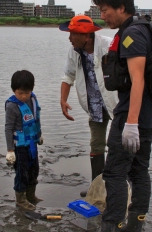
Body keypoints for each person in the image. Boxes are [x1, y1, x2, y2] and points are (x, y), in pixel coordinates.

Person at [92, 0, 152, 231]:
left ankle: (110, 224)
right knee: (139, 170)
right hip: (150, 113)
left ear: (121, 7)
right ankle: (136, 222)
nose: (102, 15)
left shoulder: (132, 33)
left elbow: (137, 80)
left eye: (104, 9)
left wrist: (131, 123)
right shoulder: (145, 28)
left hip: (134, 115)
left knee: (115, 173)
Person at [59, 15, 118, 197]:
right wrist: (63, 100)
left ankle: (118, 188)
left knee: (118, 145)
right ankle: (97, 189)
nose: (69, 38)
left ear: (86, 36)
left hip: (115, 103)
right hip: (94, 105)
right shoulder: (74, 51)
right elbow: (68, 76)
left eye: (72, 34)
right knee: (96, 145)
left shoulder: (109, 46)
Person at [4, 70, 43, 210]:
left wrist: (39, 135)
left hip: (32, 143)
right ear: (14, 90)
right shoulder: (12, 106)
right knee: (22, 173)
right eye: (20, 93)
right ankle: (21, 199)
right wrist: (10, 150)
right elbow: (8, 128)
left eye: (27, 93)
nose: (24, 96)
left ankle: (31, 196)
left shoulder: (33, 99)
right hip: (19, 146)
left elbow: (36, 119)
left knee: (34, 169)